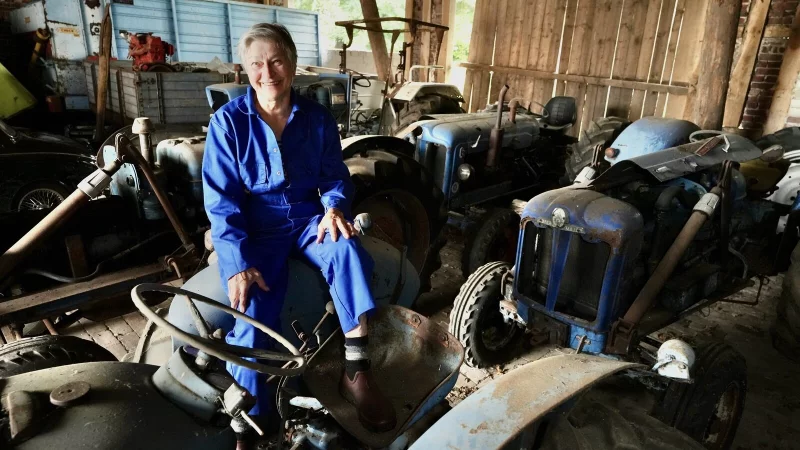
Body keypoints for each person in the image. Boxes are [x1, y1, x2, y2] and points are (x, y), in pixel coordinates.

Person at [202, 23, 396, 433]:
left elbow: (334, 176)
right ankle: (252, 421)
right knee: (250, 305)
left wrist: (335, 207)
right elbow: (222, 202)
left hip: (310, 218)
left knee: (348, 252)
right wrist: (236, 261)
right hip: (258, 228)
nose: (267, 72)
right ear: (245, 69)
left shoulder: (317, 118)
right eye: (257, 64)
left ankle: (356, 370)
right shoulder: (227, 124)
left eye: (276, 61)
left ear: (292, 64)